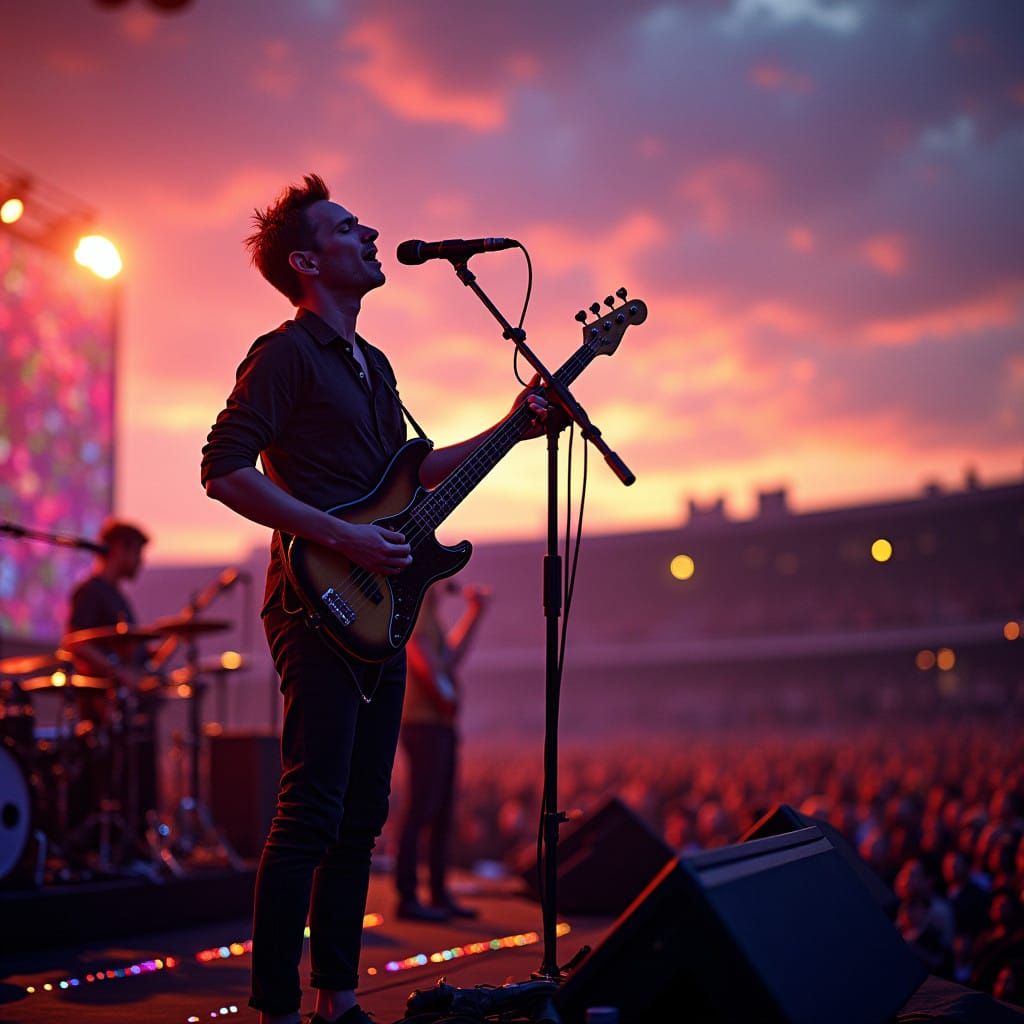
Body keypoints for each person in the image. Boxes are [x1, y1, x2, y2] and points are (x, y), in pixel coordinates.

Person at [200, 174, 550, 1024]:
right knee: (312, 806)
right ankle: (277, 1007)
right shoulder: (284, 353)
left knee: (362, 814)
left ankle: (339, 1001)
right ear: (307, 261)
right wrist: (338, 534)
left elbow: (412, 475)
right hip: (315, 603)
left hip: (378, 613)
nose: (370, 232)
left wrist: (510, 424)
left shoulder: (377, 365)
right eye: (348, 227)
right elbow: (223, 469)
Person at [395, 580, 489, 921]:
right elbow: (420, 657)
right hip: (423, 723)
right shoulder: (418, 608)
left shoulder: (432, 613)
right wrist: (445, 698)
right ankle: (407, 896)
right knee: (421, 809)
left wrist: (474, 615)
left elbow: (448, 659)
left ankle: (437, 893)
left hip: (438, 725)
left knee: (442, 811)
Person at [65, 517, 158, 845]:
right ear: (119, 550)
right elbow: (76, 642)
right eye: (137, 554)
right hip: (100, 705)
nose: (140, 563)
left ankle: (131, 840)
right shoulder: (91, 593)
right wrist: (118, 673)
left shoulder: (118, 597)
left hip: (120, 705)